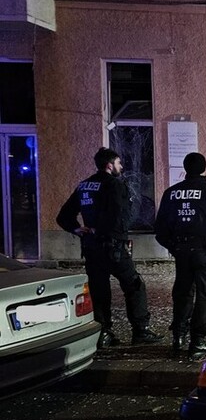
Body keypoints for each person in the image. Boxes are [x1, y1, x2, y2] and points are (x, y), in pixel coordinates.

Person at [56, 147, 163, 347]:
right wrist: (120, 237)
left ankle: (103, 333)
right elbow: (121, 217)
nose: (121, 167)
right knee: (134, 285)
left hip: (91, 247)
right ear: (109, 165)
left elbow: (63, 216)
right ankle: (140, 330)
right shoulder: (115, 185)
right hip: (113, 247)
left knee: (99, 290)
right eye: (118, 163)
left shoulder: (84, 186)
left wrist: (78, 229)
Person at [154, 152, 206, 358]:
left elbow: (160, 229)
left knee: (182, 293)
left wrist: (174, 247)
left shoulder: (171, 193)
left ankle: (178, 336)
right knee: (205, 295)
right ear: (204, 168)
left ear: (185, 168)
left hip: (182, 252)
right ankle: (198, 340)